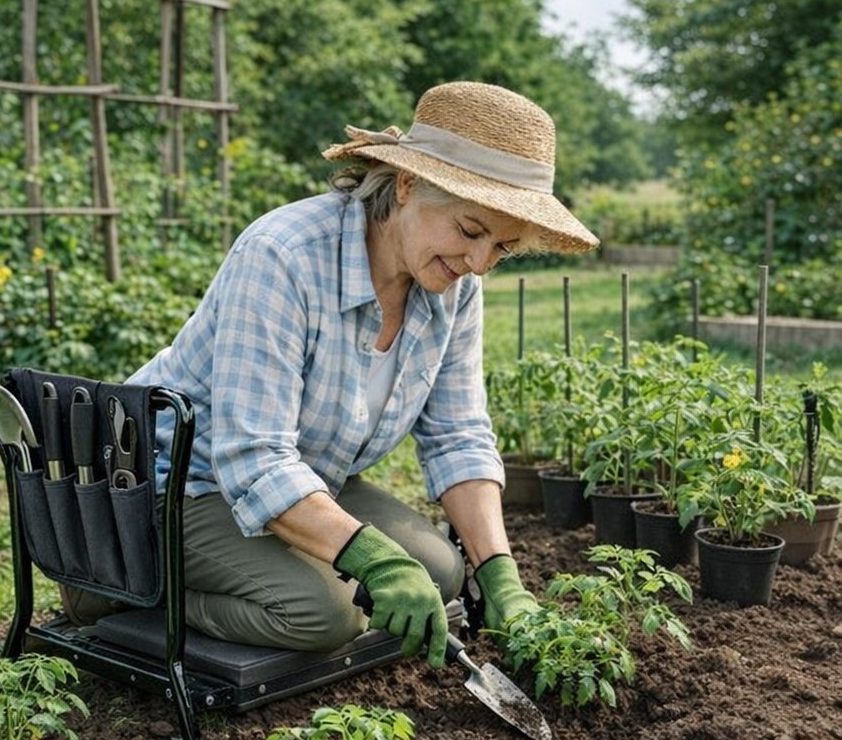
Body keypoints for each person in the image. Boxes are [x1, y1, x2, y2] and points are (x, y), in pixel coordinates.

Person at [127, 81, 599, 668]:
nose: (479, 264)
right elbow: (252, 458)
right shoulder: (284, 256)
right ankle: (128, 594)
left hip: (305, 475)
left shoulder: (453, 287)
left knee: (443, 571)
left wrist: (501, 577)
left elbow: (459, 436)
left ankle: (289, 565)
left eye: (501, 248)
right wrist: (373, 558)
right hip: (175, 483)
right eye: (470, 231)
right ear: (406, 186)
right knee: (325, 613)